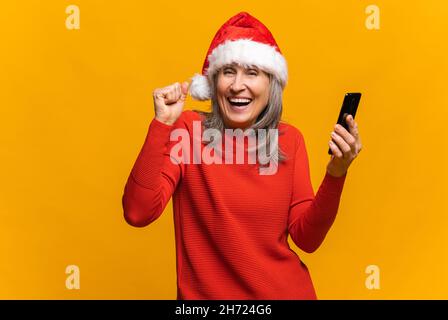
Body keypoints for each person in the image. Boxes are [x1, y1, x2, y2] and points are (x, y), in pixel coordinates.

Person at [122, 12, 362, 300]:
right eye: (228, 72)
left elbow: (307, 239)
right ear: (213, 82)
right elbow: (138, 212)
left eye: (252, 72)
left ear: (270, 83)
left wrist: (337, 172)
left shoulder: (289, 140)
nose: (238, 85)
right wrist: (161, 125)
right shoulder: (188, 130)